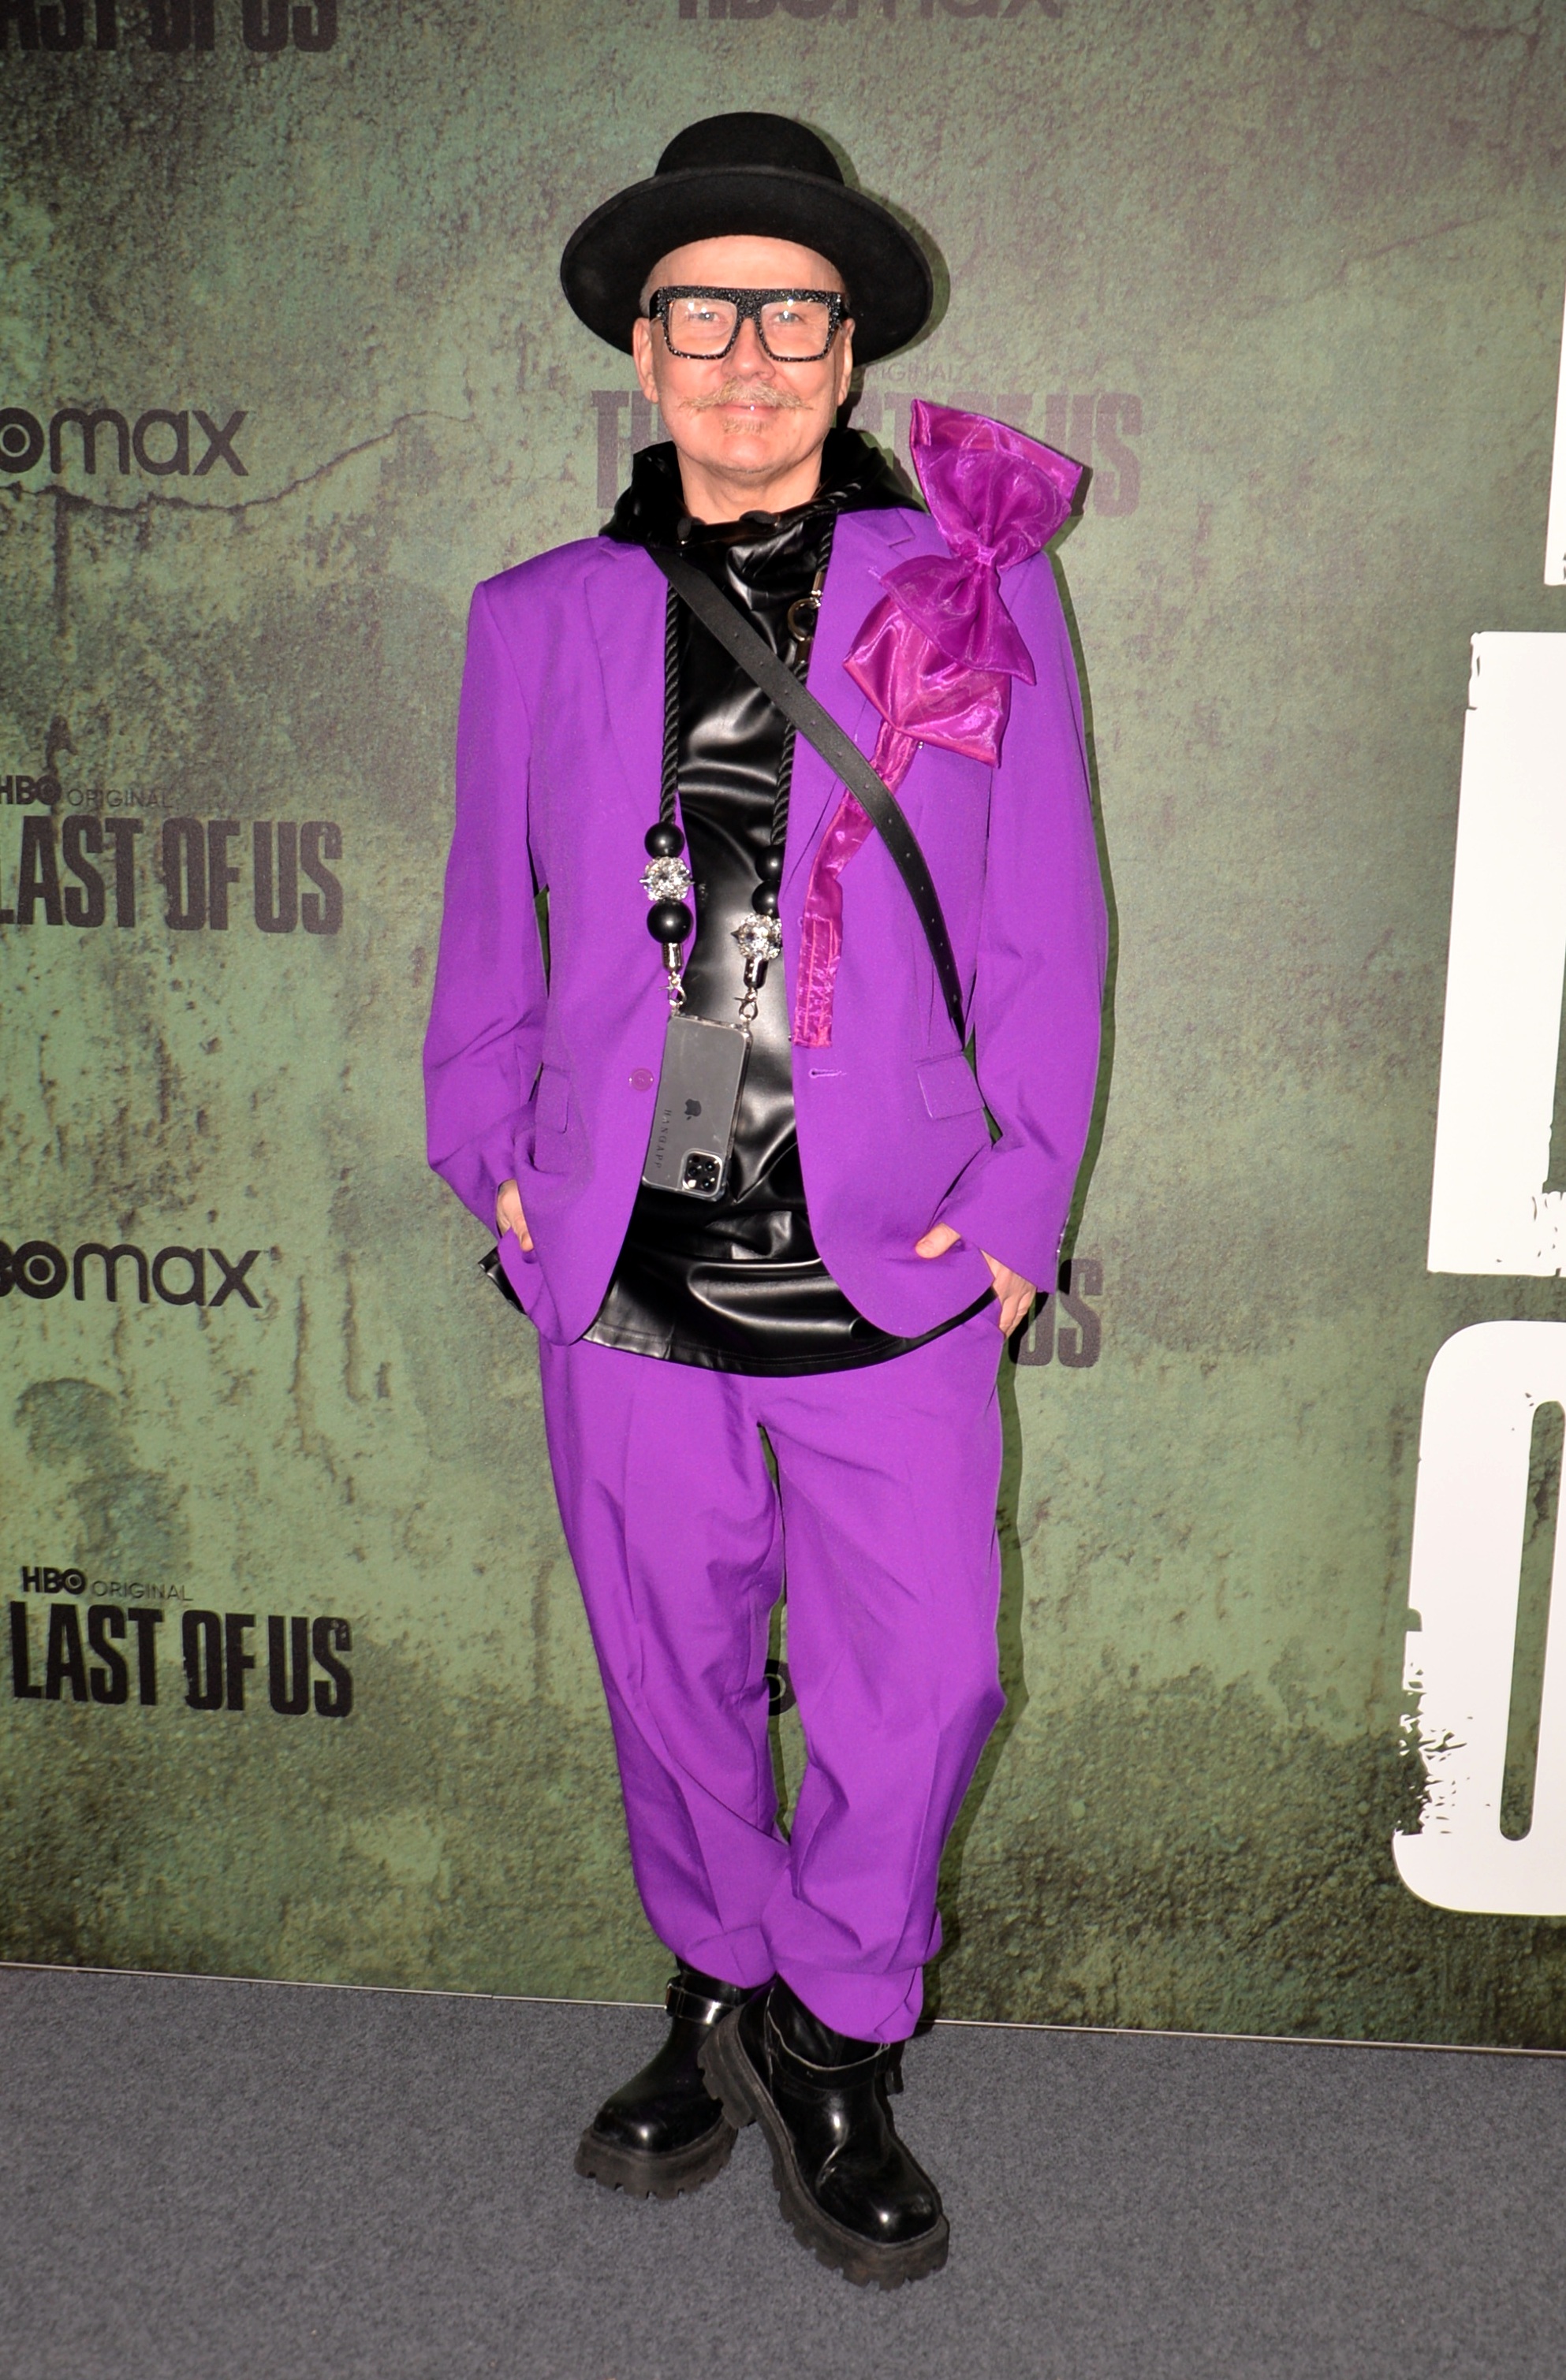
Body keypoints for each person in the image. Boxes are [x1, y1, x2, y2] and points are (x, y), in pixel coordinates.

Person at [423, 112, 1106, 2289]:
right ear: (642, 350)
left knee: (929, 1679)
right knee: (673, 1662)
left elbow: (1047, 923)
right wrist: (490, 1161)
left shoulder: (971, 584)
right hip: (625, 1250)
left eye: (788, 316)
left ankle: (836, 2018)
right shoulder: (536, 618)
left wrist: (1019, 1209)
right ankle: (720, 1981)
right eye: (700, 313)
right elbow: (488, 925)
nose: (743, 353)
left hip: (892, 1247)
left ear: (847, 352)